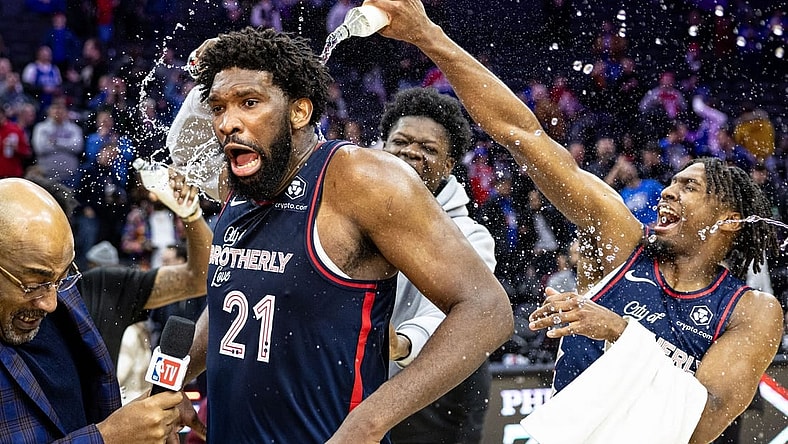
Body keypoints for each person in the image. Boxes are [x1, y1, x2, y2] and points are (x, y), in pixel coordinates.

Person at [375, 1, 783, 442]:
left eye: (690, 188)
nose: (667, 191)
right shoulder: (623, 243)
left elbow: (701, 422)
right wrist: (428, 36)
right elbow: (522, 133)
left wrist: (616, 330)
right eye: (672, 182)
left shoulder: (752, 310)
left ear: (728, 221)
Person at [180, 27, 512, 443]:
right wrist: (174, 377)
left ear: (300, 112)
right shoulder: (245, 180)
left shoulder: (361, 179)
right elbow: (240, 301)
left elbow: (488, 311)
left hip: (392, 411)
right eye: (218, 108)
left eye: (249, 103)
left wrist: (369, 424)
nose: (228, 123)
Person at [0, 177, 197, 443]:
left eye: (63, 276)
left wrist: (139, 420)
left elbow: (78, 423)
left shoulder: (71, 300)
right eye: (34, 283)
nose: (51, 302)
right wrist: (108, 438)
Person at [378, 87, 497, 443]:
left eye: (428, 148)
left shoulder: (469, 236)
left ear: (448, 165)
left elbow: (455, 315)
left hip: (431, 397)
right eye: (401, 141)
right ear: (383, 145)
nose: (411, 152)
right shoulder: (347, 212)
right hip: (346, 383)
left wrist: (402, 343)